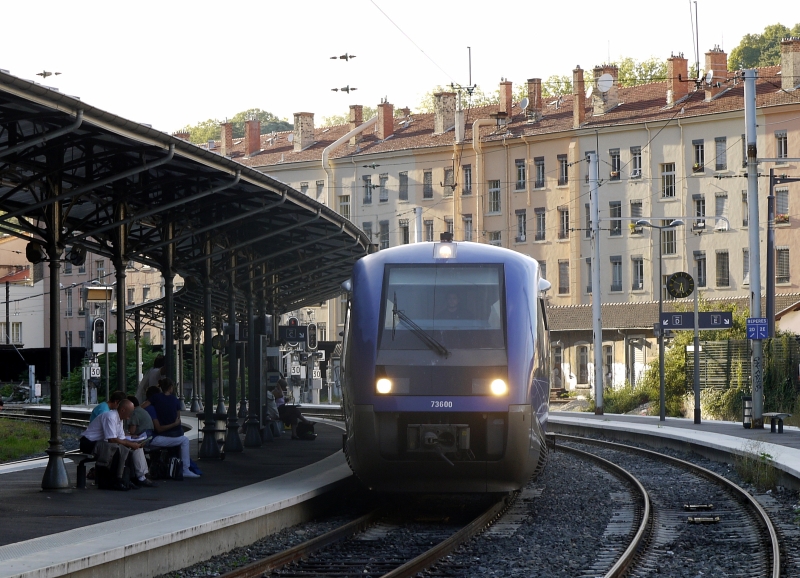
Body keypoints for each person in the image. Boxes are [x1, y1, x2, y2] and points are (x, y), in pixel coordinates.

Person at [80, 399, 155, 489]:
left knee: (127, 449)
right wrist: (130, 444)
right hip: (89, 443)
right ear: (123, 410)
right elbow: (112, 439)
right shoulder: (110, 416)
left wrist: (135, 443)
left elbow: (121, 438)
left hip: (100, 442)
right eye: (130, 412)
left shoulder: (120, 419)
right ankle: (114, 481)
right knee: (115, 448)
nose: (132, 414)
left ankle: (128, 478)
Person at [145, 380, 200, 478]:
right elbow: (178, 418)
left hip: (162, 433)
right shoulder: (175, 400)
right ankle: (184, 469)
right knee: (184, 440)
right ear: (171, 388)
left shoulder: (155, 398)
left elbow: (143, 406)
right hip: (176, 432)